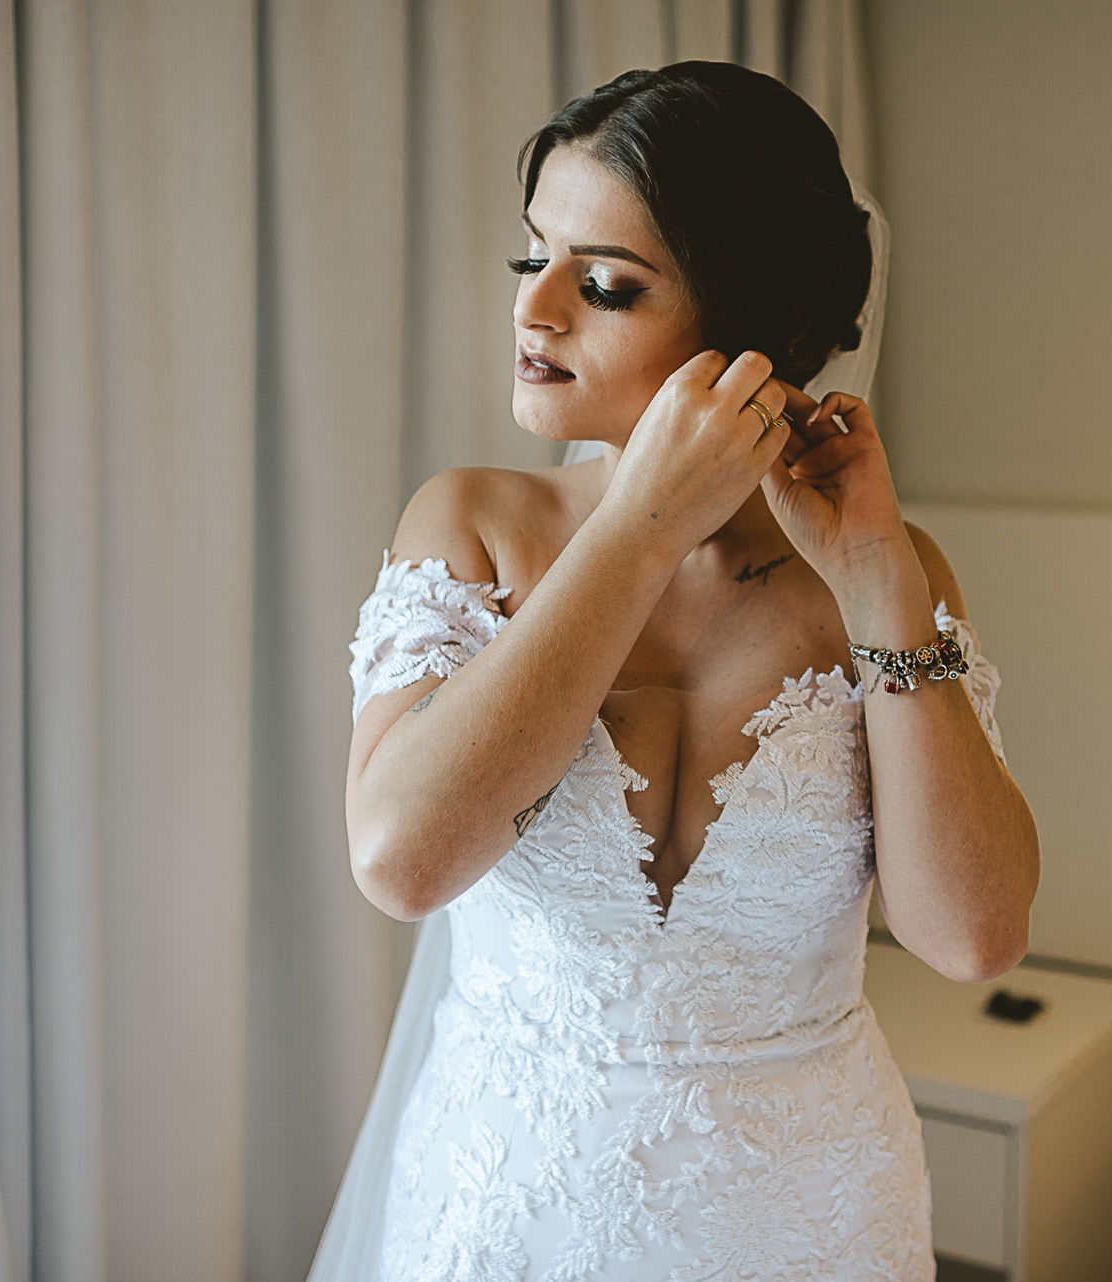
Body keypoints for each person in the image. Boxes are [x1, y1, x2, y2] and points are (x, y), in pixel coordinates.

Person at [312, 60, 1039, 1282]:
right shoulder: (472, 526)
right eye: (528, 260)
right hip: (508, 1203)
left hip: (805, 1214)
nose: (533, 309)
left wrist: (875, 580)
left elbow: (971, 935)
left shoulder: (887, 574)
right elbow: (401, 857)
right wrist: (638, 529)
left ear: (746, 328)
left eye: (599, 284)